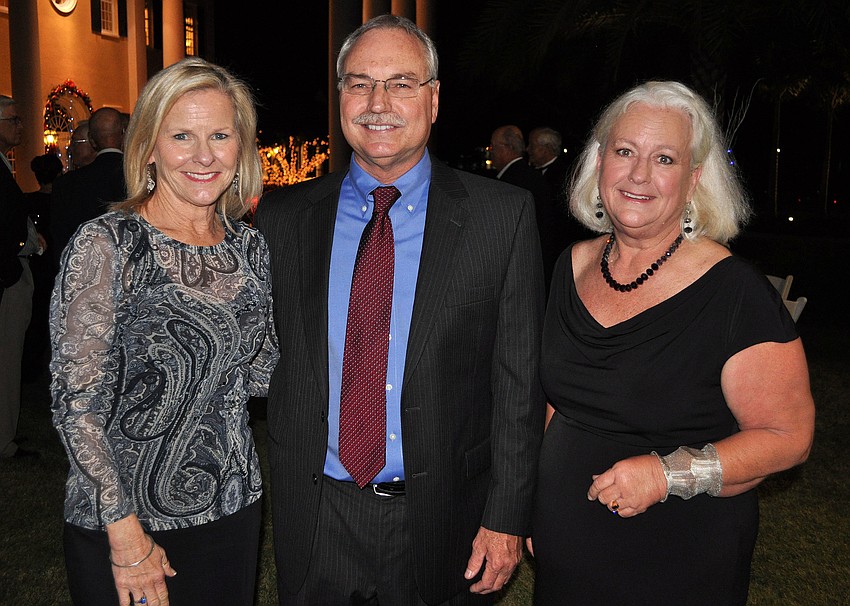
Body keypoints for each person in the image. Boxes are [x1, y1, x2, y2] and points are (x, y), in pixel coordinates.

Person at [254, 14, 545, 606]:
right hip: (317, 515)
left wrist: (507, 516)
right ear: (340, 99)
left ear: (433, 100)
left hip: (443, 517)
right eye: (359, 83)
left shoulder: (501, 218)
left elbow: (519, 385)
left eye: (401, 83)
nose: (378, 102)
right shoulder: (283, 220)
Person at [529, 81, 815, 605]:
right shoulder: (569, 267)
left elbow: (788, 435)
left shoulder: (735, 293)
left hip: (679, 554)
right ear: (598, 164)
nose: (639, 174)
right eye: (624, 151)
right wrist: (531, 502)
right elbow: (555, 401)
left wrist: (666, 474)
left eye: (664, 158)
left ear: (693, 181)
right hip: (566, 551)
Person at [50, 57, 279, 606]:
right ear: (150, 146)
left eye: (220, 135)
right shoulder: (109, 245)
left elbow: (262, 375)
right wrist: (125, 533)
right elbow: (73, 402)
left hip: (231, 507)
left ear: (241, 147)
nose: (204, 156)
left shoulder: (249, 247)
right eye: (182, 136)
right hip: (126, 520)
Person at [0, 95, 41, 459]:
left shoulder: (5, 163)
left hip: (13, 269)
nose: (20, 127)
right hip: (7, 275)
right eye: (13, 120)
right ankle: (4, 441)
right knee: (7, 359)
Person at [50, 106, 127, 267]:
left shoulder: (67, 184)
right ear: (124, 134)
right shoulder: (138, 176)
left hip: (84, 267)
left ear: (92, 140)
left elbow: (60, 238)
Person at [490, 125, 556, 288]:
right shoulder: (531, 176)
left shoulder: (510, 184)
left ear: (506, 148)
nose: (490, 152)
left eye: (493, 146)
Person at [22, 153, 63, 381]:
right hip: (52, 266)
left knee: (37, 318)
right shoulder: (64, 200)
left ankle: (34, 365)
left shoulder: (29, 202)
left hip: (38, 268)